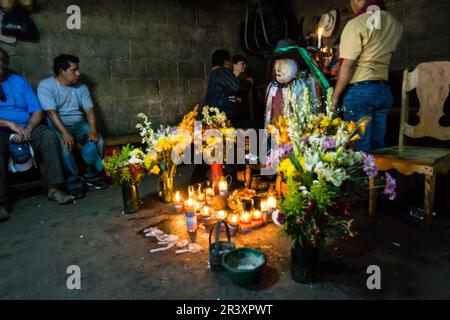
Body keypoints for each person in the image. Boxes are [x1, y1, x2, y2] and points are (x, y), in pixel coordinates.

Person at [0, 48, 73, 222]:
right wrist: (10, 124)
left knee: (49, 136)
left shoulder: (18, 81)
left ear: (5, 63)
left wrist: (29, 128)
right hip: (2, 129)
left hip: (26, 126)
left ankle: (55, 188)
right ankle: (1, 203)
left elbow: (37, 110)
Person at [331, 0, 403, 151]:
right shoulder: (395, 24)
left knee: (358, 150)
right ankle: (375, 175)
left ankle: (363, 175)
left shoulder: (357, 23)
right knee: (378, 149)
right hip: (383, 91)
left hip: (360, 92)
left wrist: (335, 96)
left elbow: (348, 65)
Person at [38, 54, 107, 199]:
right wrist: (64, 132)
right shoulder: (46, 86)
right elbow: (51, 113)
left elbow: (89, 110)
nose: (78, 73)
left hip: (79, 124)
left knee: (98, 140)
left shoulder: (81, 87)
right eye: (74, 70)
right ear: (62, 71)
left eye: (78, 69)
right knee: (64, 145)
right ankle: (74, 183)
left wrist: (93, 129)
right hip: (59, 124)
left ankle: (91, 177)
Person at [203, 49, 251, 120]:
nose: (231, 64)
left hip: (214, 115)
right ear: (226, 62)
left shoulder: (216, 73)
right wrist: (249, 82)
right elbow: (236, 86)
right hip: (217, 117)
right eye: (231, 61)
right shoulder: (221, 72)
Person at [229, 54, 254, 128]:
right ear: (234, 65)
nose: (245, 66)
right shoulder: (228, 80)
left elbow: (249, 99)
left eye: (245, 64)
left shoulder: (245, 80)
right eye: (242, 63)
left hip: (242, 116)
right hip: (231, 117)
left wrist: (251, 112)